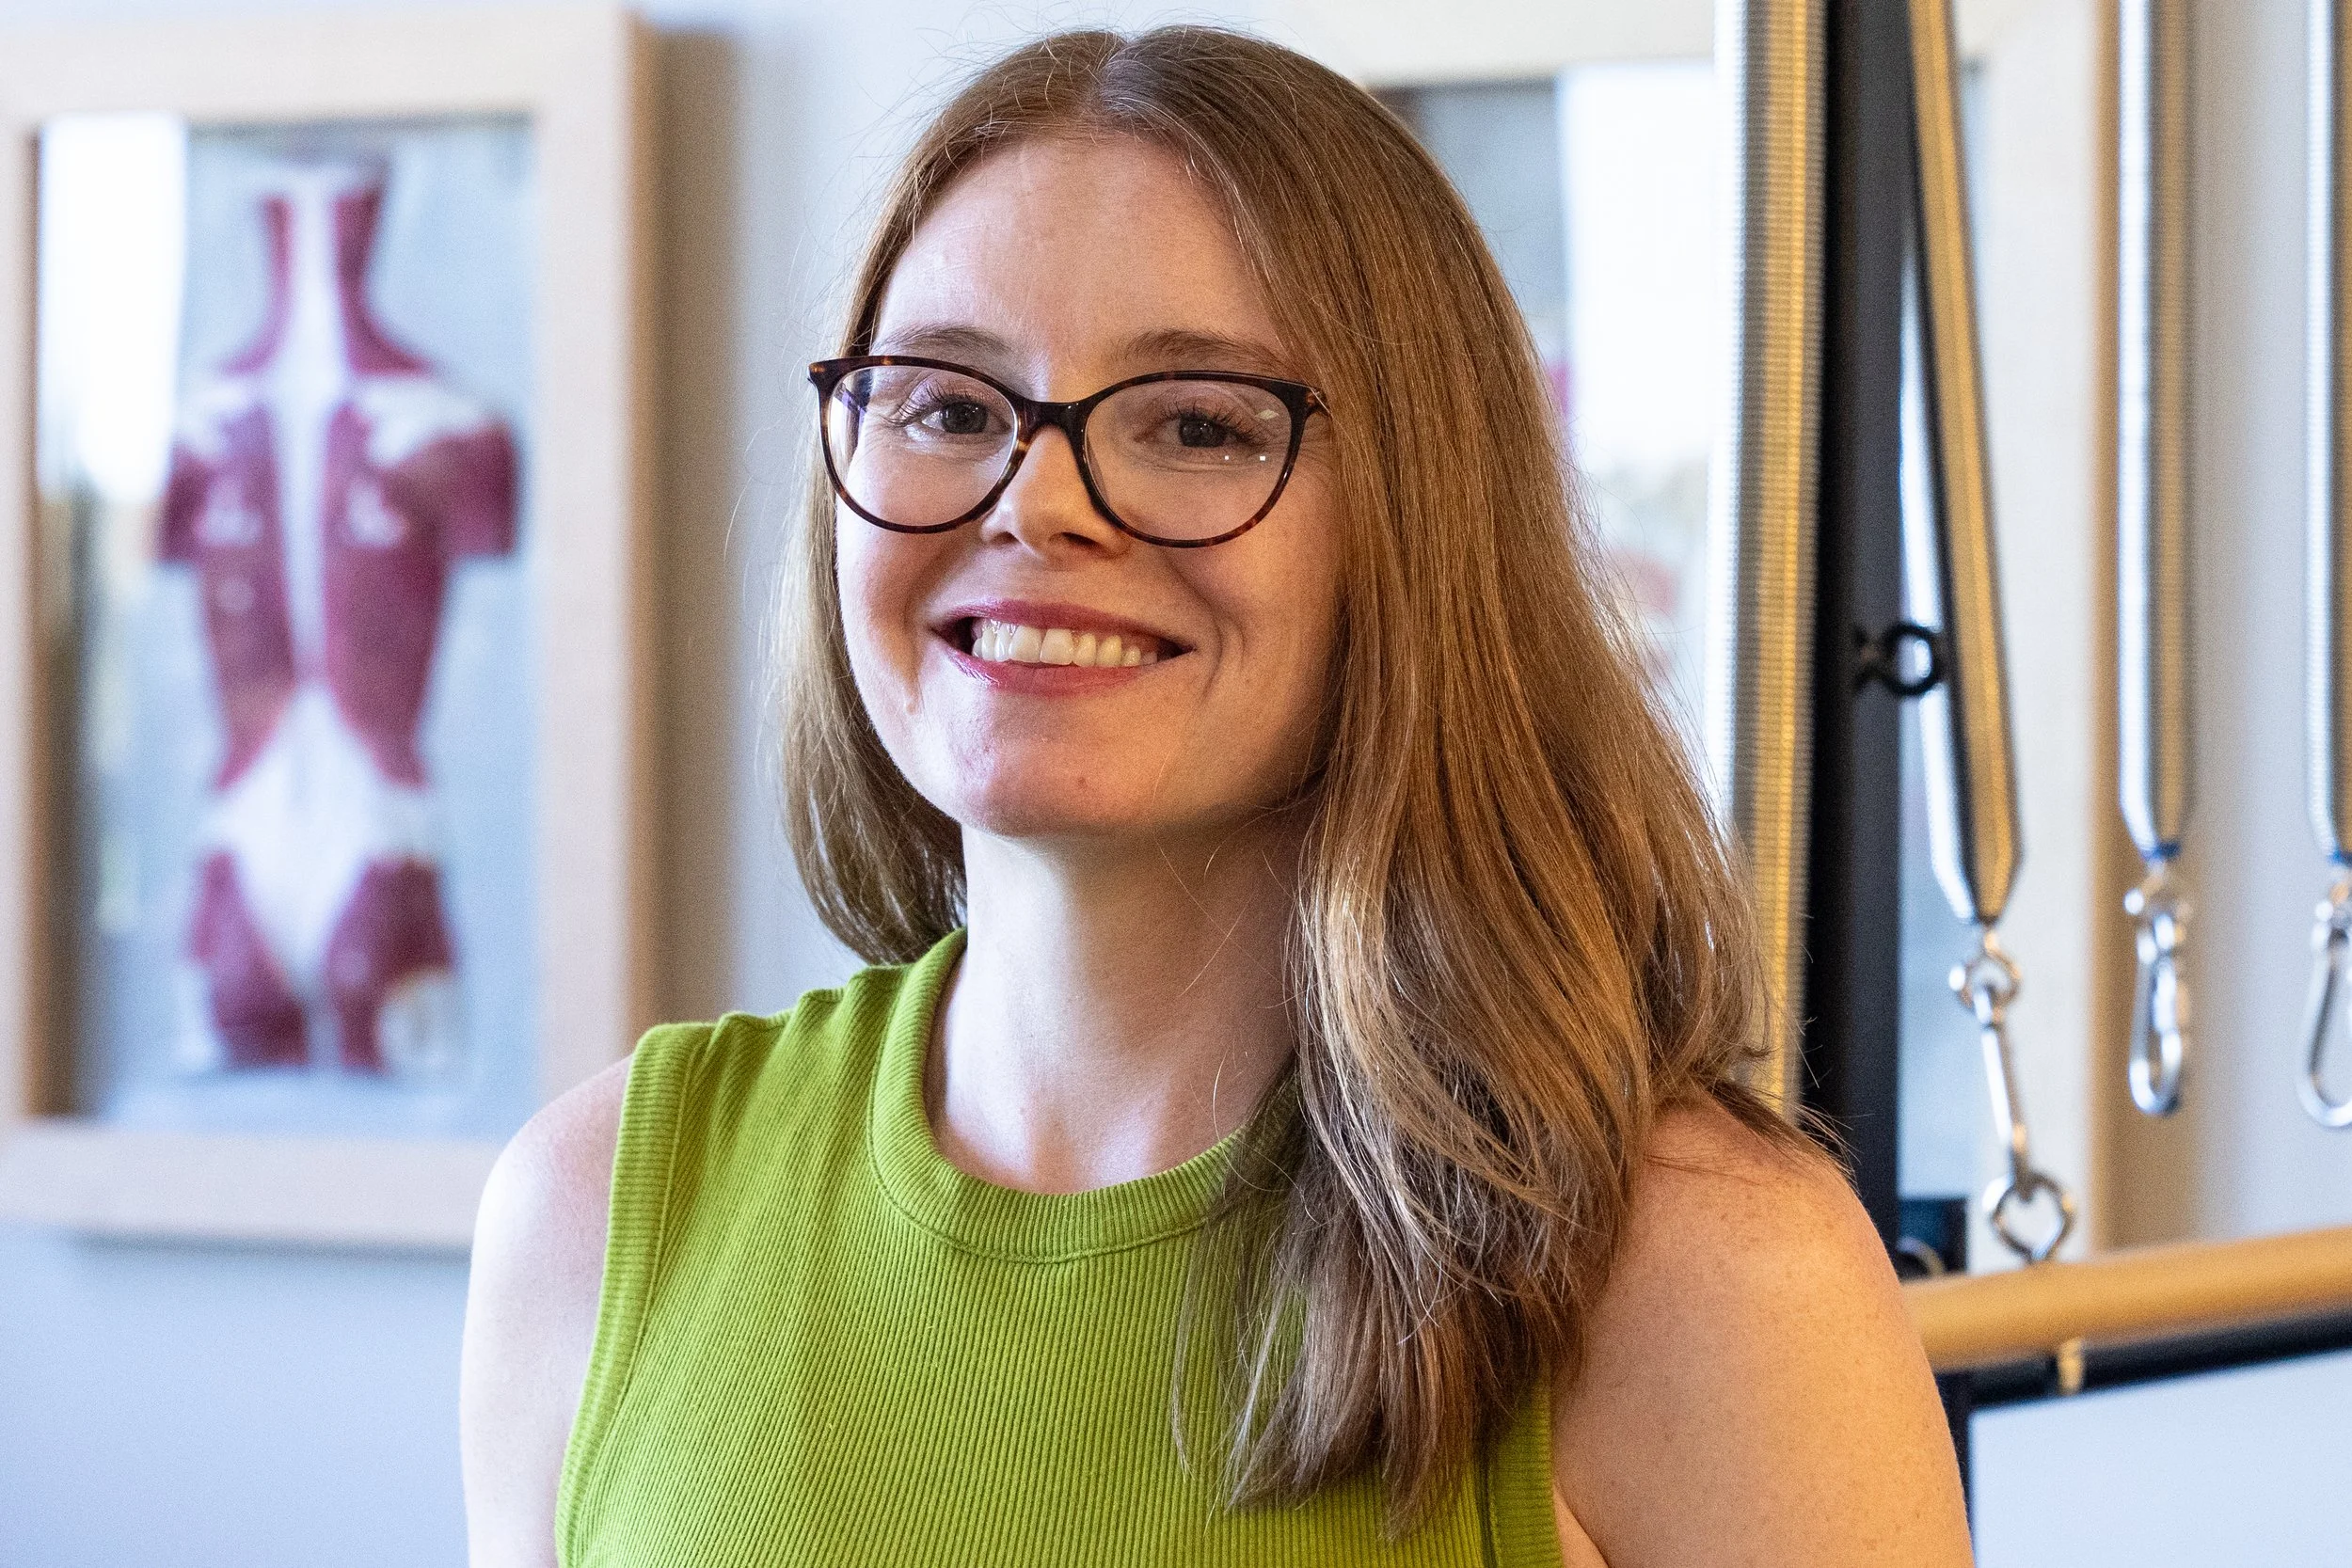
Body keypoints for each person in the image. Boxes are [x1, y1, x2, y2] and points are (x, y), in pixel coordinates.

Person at [460, 25, 1973, 1567]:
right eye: (948, 407)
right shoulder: (590, 1218)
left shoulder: (1710, 1281)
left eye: (1198, 424)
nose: (1038, 502)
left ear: (1420, 520)